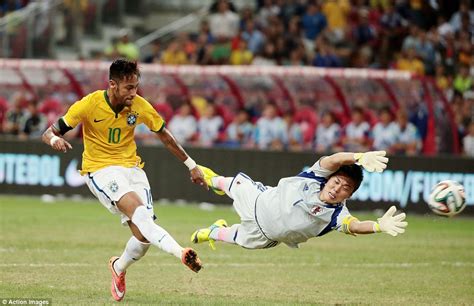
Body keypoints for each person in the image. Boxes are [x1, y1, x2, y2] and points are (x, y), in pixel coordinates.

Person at [41, 59, 206, 302]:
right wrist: (55, 141)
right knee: (140, 215)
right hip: (101, 170)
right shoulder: (89, 104)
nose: (134, 92)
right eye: (128, 88)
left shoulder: (139, 105)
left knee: (143, 237)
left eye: (136, 86)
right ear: (112, 85)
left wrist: (191, 165)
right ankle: (181, 252)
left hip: (132, 168)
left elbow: (164, 135)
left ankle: (118, 267)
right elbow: (49, 132)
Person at [191, 151, 407, 250]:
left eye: (346, 188)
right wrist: (358, 157)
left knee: (236, 237)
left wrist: (378, 226)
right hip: (259, 201)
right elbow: (333, 159)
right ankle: (210, 179)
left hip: (266, 235)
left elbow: (356, 226)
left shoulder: (336, 215)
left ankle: (212, 231)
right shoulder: (315, 176)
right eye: (337, 182)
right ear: (330, 178)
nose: (338, 189)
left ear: (349, 195)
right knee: (231, 185)